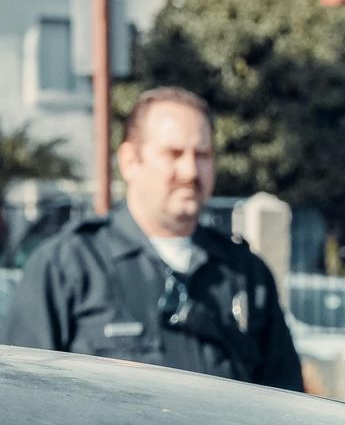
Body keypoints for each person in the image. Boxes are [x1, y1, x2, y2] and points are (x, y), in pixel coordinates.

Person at [3, 87, 303, 392]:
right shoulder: (67, 268)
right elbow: (26, 401)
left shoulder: (246, 276)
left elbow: (284, 404)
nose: (189, 171)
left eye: (202, 155)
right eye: (173, 154)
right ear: (131, 161)